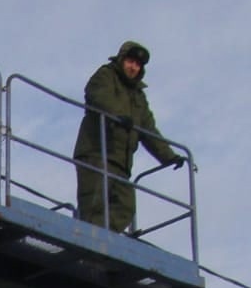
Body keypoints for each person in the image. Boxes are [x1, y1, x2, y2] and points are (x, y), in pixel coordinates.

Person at [73, 40, 184, 233]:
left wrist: (169, 156)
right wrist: (117, 115)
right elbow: (97, 96)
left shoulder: (138, 96)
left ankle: (99, 238)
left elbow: (148, 129)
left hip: (122, 164)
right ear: (122, 59)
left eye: (138, 64)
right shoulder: (106, 75)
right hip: (97, 154)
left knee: (126, 206)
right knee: (94, 204)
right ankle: (89, 239)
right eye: (130, 62)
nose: (133, 67)